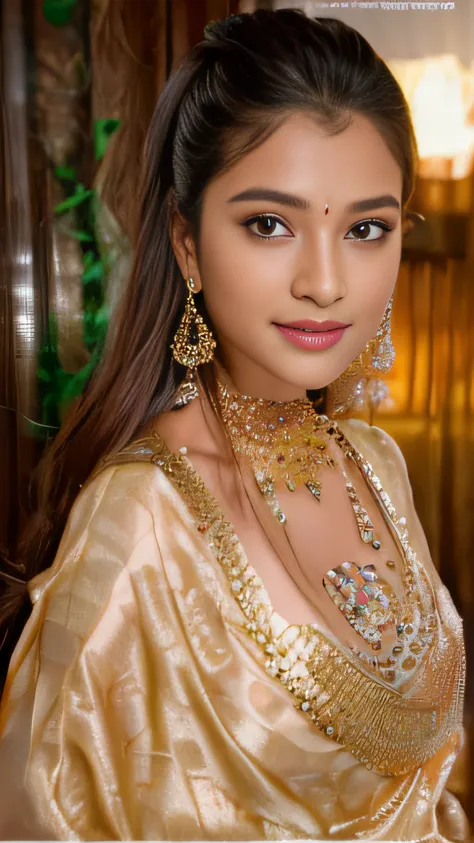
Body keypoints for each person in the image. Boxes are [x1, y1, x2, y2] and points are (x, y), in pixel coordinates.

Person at [0, 9, 468, 841]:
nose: (325, 282)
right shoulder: (141, 520)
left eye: (367, 229)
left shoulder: (376, 462)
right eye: (269, 224)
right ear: (186, 243)